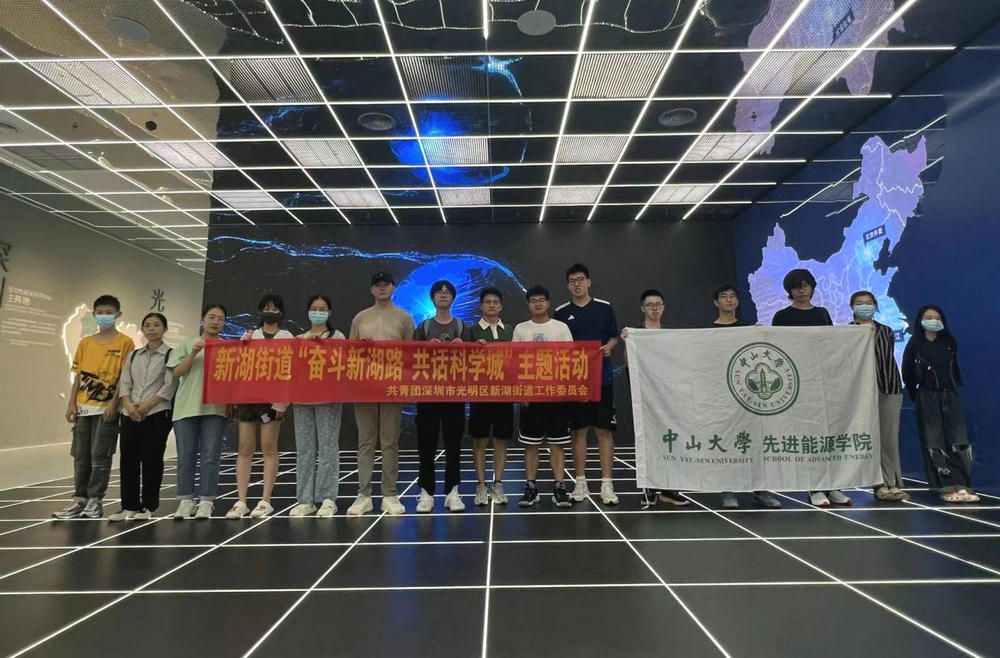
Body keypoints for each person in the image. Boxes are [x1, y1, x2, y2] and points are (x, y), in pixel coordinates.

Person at [772, 269, 850, 508]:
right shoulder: (782, 316)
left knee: (829, 432)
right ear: (790, 290)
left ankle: (834, 485)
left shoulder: (822, 313)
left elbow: (831, 343)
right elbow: (778, 348)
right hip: (799, 380)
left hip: (824, 378)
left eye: (806, 285)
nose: (802, 290)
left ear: (813, 287)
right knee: (809, 433)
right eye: (797, 286)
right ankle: (814, 486)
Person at [54, 295, 135, 519]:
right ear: (93, 314)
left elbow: (125, 378)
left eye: (109, 312)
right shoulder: (85, 343)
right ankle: (79, 499)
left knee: (100, 456)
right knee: (81, 455)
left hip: (106, 410)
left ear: (118, 315)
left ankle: (95, 500)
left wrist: (114, 404)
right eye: (100, 312)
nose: (104, 316)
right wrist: (71, 403)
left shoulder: (125, 343)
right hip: (83, 408)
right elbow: (78, 376)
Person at [346, 272, 415, 516]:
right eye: (378, 285)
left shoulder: (404, 317)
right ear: (372, 289)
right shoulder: (360, 317)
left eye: (386, 284)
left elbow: (411, 354)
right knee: (365, 442)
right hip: (365, 385)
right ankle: (364, 495)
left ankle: (390, 494)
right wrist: (361, 349)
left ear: (393, 287)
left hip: (391, 386)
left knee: (389, 441)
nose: (382, 288)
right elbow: (350, 353)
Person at [553, 263, 620, 506]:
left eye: (580, 279)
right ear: (567, 285)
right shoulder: (561, 313)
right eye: (572, 281)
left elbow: (613, 336)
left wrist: (610, 346)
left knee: (603, 431)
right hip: (573, 382)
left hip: (602, 378)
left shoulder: (604, 307)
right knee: (578, 431)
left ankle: (607, 483)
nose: (577, 284)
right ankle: (580, 482)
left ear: (589, 282)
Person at [711, 284, 782, 509]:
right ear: (716, 302)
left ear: (738, 301)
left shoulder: (749, 328)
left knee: (754, 441)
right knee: (726, 441)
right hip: (720, 395)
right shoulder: (707, 331)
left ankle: (760, 489)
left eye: (733, 296)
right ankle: (728, 489)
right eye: (724, 296)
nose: (729, 300)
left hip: (749, 394)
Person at [902, 305, 978, 503]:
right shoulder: (915, 344)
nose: (933, 321)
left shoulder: (949, 342)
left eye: (937, 317)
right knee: (933, 440)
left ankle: (963, 484)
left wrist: (953, 388)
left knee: (958, 439)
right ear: (920, 320)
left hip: (950, 395)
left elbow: (954, 369)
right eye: (929, 317)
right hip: (927, 396)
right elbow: (907, 371)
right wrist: (915, 393)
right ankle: (944, 485)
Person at [227, 294, 294, 519]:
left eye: (274, 308)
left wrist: (282, 404)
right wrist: (242, 347)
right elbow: (237, 367)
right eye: (266, 308)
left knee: (268, 447)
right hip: (247, 399)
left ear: (281, 312)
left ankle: (265, 501)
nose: (270, 312)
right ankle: (241, 501)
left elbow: (289, 371)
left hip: (272, 401)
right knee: (245, 448)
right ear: (259, 311)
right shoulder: (249, 336)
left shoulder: (287, 337)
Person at [621, 289, 689, 508]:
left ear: (663, 307)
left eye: (658, 304)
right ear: (643, 309)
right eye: (650, 305)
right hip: (644, 396)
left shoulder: (669, 334)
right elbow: (628, 365)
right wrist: (627, 343)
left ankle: (669, 489)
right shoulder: (635, 334)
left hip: (668, 396)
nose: (654, 308)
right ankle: (648, 488)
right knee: (647, 441)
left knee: (669, 440)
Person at [109, 312, 177, 521]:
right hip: (130, 413)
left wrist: (146, 406)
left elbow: (170, 385)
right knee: (128, 460)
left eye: (156, 325)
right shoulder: (134, 355)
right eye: (147, 325)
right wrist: (129, 406)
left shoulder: (170, 354)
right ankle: (128, 505)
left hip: (156, 413)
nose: (151, 328)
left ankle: (148, 505)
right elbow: (125, 382)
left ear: (165, 329)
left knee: (151, 460)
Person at [514, 285, 574, 508]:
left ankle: (559, 487)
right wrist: (521, 390)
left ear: (548, 303)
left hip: (556, 395)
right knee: (531, 445)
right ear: (528, 305)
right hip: (531, 396)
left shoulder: (561, 328)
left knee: (557, 445)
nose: (537, 304)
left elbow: (571, 360)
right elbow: (514, 362)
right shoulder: (521, 329)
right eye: (533, 300)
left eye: (541, 300)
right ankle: (531, 488)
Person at [168, 303, 230, 520]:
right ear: (203, 320)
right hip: (186, 407)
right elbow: (177, 372)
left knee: (211, 455)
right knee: (186, 456)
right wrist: (193, 353)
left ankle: (206, 501)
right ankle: (186, 500)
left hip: (215, 408)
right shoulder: (187, 344)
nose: (216, 322)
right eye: (212, 317)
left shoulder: (228, 348)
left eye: (220, 318)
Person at [414, 280, 471, 513]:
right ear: (432, 298)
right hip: (428, 393)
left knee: (453, 445)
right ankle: (426, 493)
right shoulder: (424, 327)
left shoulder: (462, 327)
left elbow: (473, 361)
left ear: (454, 297)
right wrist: (426, 348)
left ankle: (452, 492)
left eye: (448, 292)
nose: (444, 294)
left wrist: (464, 346)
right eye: (439, 292)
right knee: (426, 445)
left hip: (454, 393)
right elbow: (410, 358)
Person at [849, 291, 908, 502]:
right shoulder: (847, 332)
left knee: (889, 438)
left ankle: (893, 482)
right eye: (859, 303)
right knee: (869, 438)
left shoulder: (886, 330)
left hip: (889, 387)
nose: (864, 306)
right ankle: (879, 483)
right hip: (860, 392)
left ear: (875, 305)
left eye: (868, 303)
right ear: (852, 307)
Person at [290, 295, 345, 518]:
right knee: (304, 450)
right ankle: (305, 500)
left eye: (322, 309)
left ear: (329, 313)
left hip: (328, 399)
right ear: (308, 312)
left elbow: (343, 363)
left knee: (328, 448)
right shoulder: (298, 339)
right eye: (314, 308)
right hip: (302, 399)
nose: (318, 312)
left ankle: (327, 498)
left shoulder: (337, 336)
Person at [469, 287, 514, 506]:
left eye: (496, 302)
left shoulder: (510, 330)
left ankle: (498, 484)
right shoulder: (472, 330)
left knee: (501, 440)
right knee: (480, 440)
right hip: (481, 393)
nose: (492, 305)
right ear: (481, 306)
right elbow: (463, 361)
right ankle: (480, 485)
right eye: (487, 302)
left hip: (504, 393)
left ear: (501, 306)